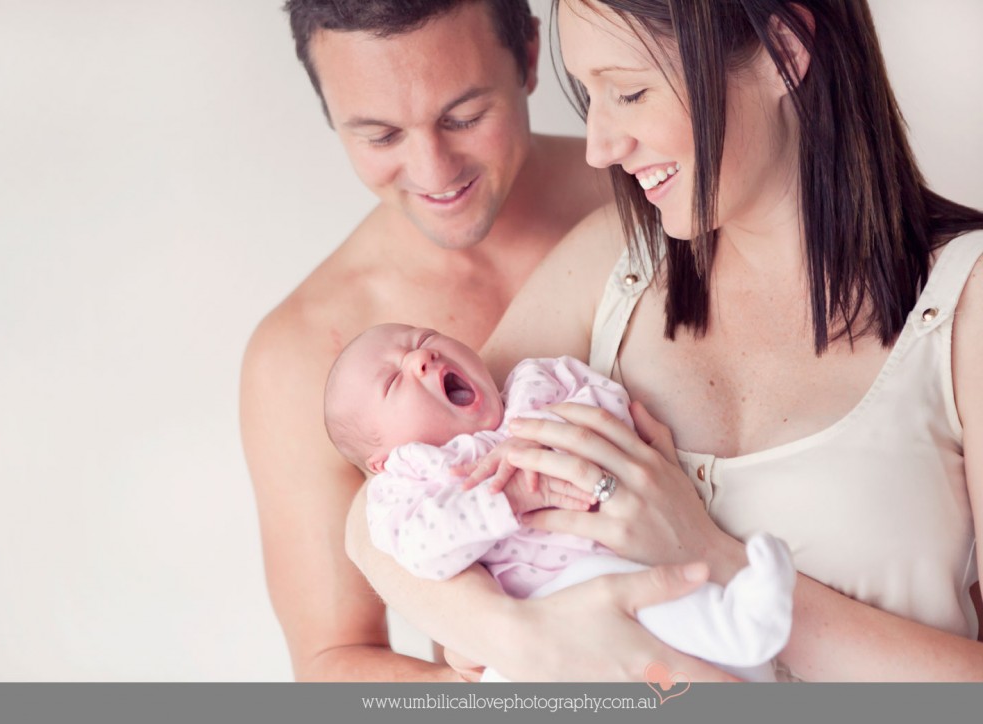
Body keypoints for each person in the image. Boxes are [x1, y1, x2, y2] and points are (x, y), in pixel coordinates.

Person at [347, 0, 983, 680]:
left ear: (784, 50)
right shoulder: (613, 260)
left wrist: (711, 557)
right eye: (589, 96)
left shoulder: (966, 301)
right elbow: (374, 517)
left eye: (628, 92)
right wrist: (514, 635)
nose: (598, 147)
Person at [239, 0, 616, 681]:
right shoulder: (300, 353)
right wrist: (499, 681)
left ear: (530, 57)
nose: (435, 171)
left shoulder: (654, 201)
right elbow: (331, 663)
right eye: (381, 136)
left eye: (465, 117)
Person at [325, 323, 796, 681]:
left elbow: (609, 408)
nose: (420, 357)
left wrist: (548, 441)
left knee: (667, 596)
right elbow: (420, 546)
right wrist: (511, 495)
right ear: (382, 460)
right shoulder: (409, 479)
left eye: (424, 339)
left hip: (621, 562)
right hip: (542, 604)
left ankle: (743, 626)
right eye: (393, 382)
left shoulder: (536, 385)